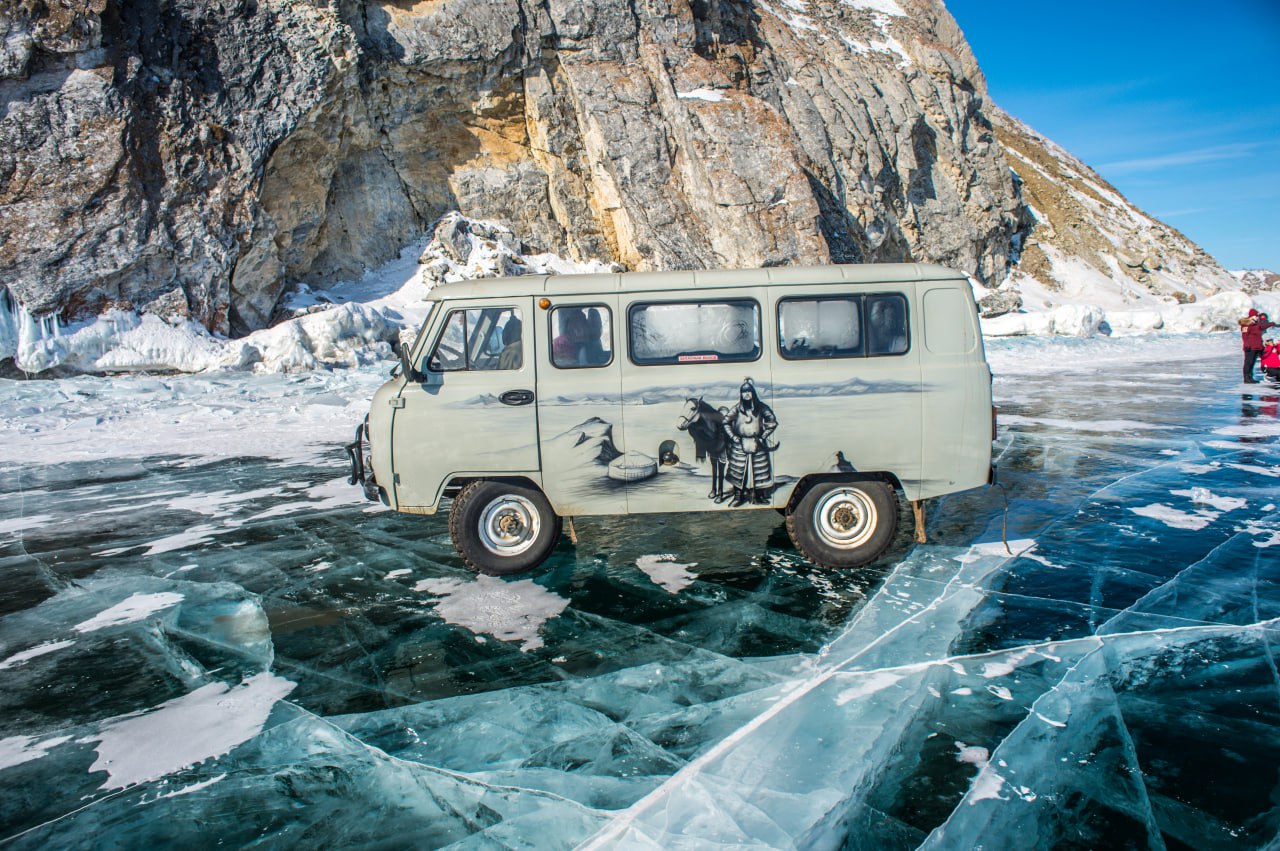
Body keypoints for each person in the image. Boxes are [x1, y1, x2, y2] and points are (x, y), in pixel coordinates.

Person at [722, 378, 779, 506]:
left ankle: (759, 496)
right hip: (739, 443)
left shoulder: (761, 407)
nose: (746, 394)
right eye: (744, 392)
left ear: (753, 393)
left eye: (749, 391)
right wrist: (733, 437)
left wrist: (763, 436)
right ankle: (738, 496)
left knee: (760, 471)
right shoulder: (737, 409)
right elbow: (726, 422)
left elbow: (772, 422)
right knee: (738, 471)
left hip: (758, 443)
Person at [1238, 308, 1276, 383]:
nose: (1257, 317)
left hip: (1257, 347)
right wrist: (1246, 345)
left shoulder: (1256, 324)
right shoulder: (1246, 325)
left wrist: (1271, 323)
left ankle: (1250, 377)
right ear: (1251, 316)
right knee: (1248, 363)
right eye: (1256, 316)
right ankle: (1246, 378)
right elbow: (1244, 336)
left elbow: (1262, 327)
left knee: (1252, 363)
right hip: (1250, 348)